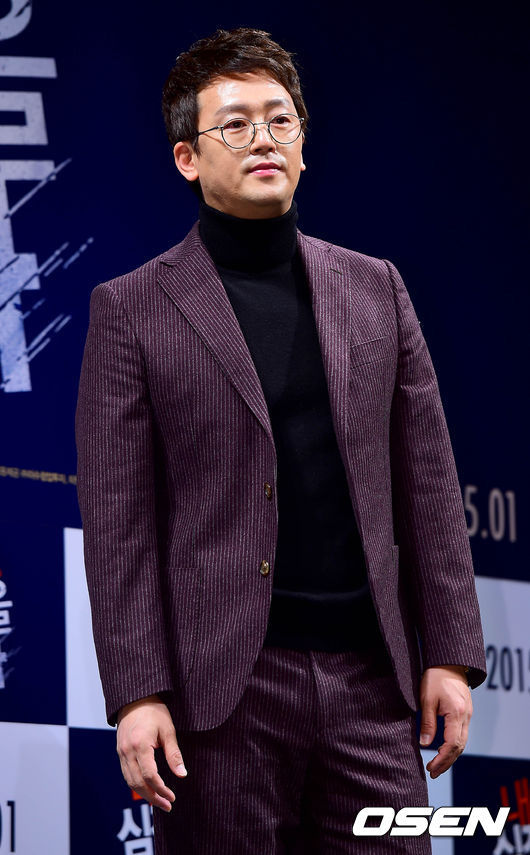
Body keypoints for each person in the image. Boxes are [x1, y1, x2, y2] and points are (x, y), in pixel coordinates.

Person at [75, 26, 487, 854]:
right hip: (220, 696)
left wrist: (448, 653)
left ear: (302, 142)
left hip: (372, 686)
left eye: (280, 119)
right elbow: (119, 523)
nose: (263, 138)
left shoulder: (377, 288)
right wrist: (137, 695)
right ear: (188, 158)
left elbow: (429, 484)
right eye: (235, 124)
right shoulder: (132, 309)